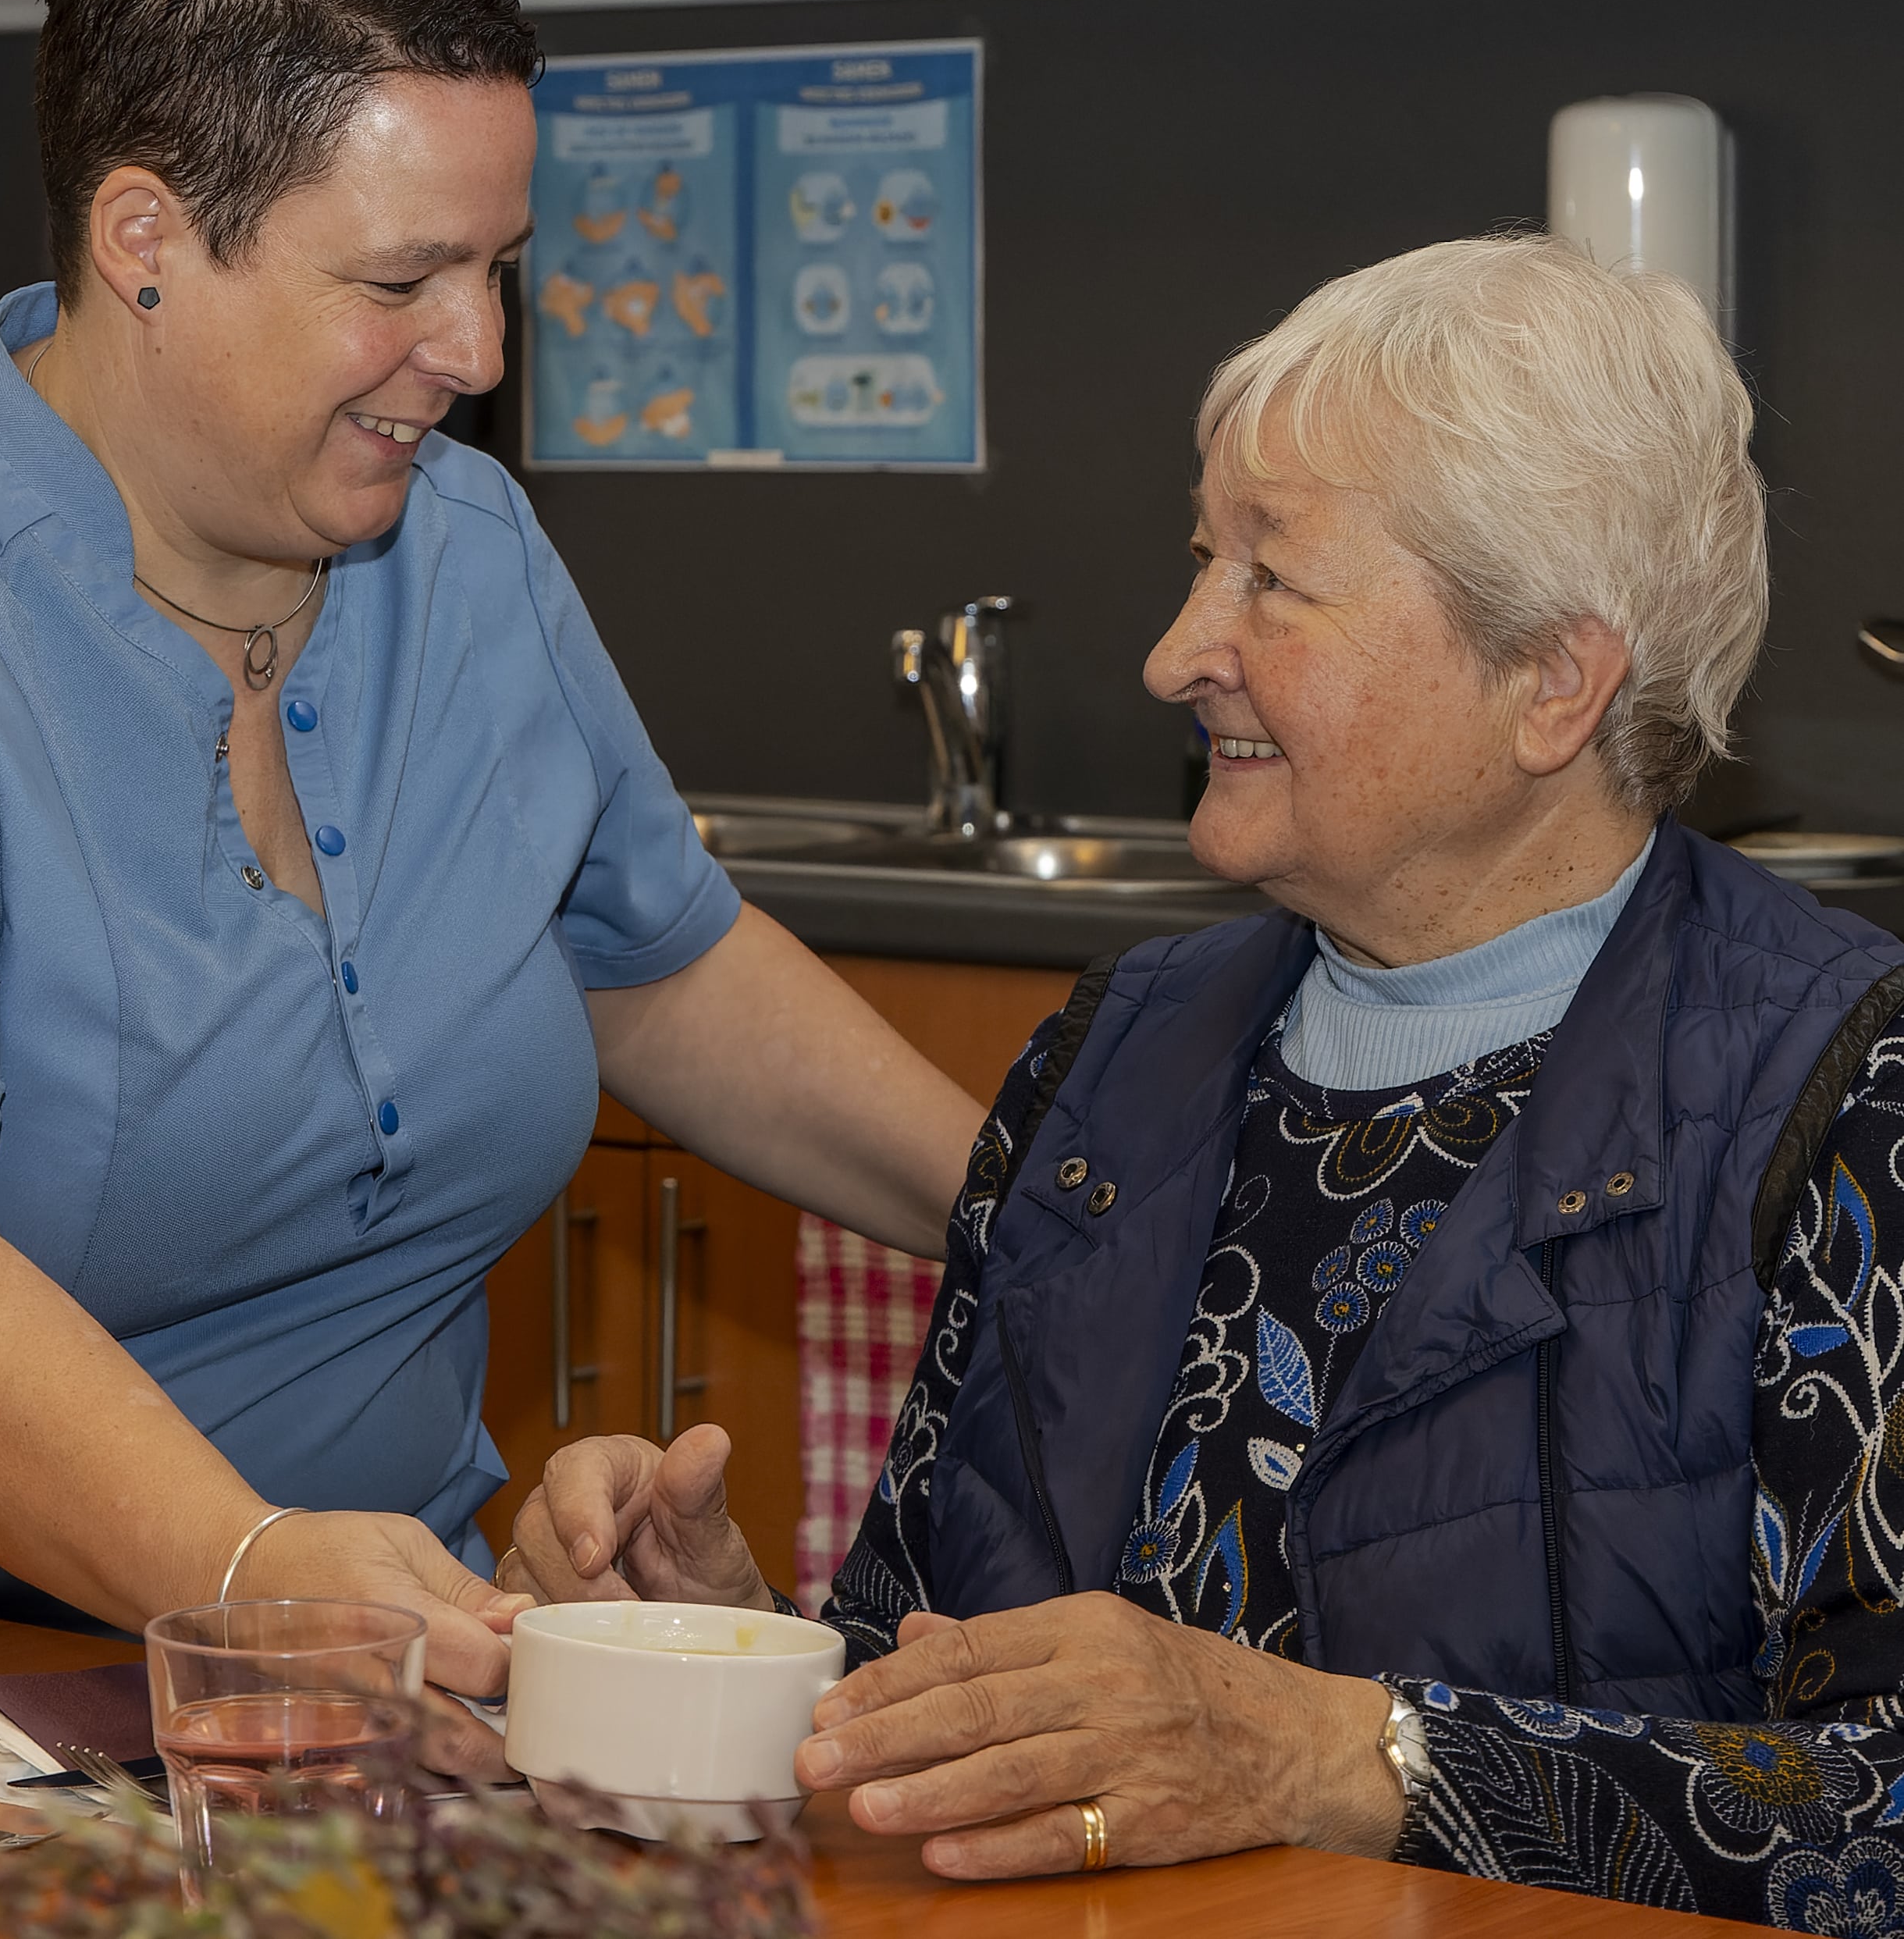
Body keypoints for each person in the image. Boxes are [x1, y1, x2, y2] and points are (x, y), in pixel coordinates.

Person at [0, 0, 982, 1760]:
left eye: (495, 273)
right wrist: (245, 1576)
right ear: (145, 240)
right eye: (401, 279)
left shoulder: (465, 554)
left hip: (329, 1673)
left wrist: (1046, 1223)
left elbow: (662, 964)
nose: (474, 356)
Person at [510, 234, 1904, 1921]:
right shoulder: (1109, 1055)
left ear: (1551, 681)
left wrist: (1340, 1756)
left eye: (1272, 579)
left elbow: (1877, 1808)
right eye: (1199, 563)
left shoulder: (1845, 1096)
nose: (1177, 653)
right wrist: (739, 1647)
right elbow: (928, 1667)